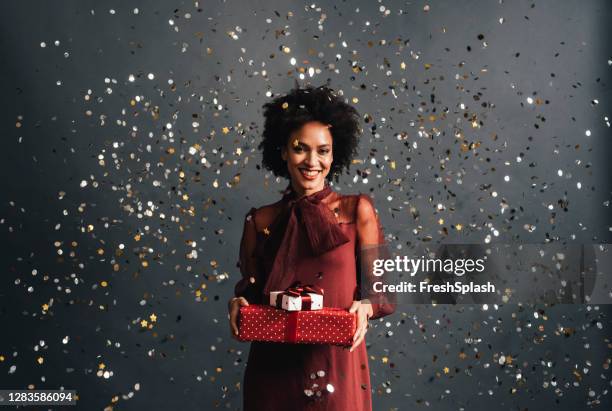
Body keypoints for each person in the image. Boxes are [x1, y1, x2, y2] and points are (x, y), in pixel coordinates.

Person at [228, 84, 395, 410]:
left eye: (323, 150)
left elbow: (382, 292)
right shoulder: (260, 220)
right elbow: (253, 291)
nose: (312, 161)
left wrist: (366, 306)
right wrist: (238, 302)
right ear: (283, 151)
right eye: (300, 148)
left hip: (336, 367)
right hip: (272, 373)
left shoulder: (356, 210)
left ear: (335, 154)